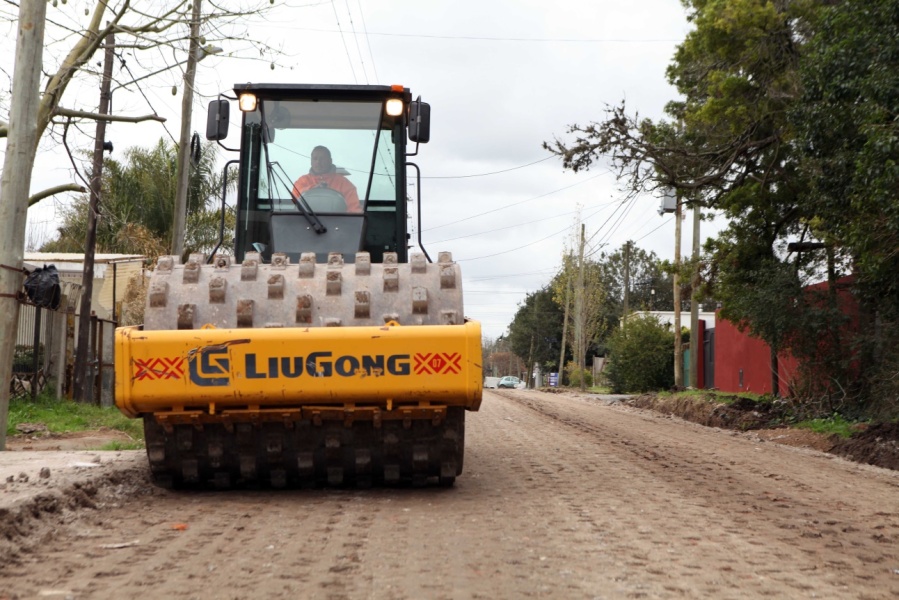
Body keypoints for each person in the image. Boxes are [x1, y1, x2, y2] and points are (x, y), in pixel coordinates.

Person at [292, 146, 362, 212]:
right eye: (315, 159)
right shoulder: (302, 181)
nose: (318, 162)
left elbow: (354, 211)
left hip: (337, 223)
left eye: (322, 159)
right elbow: (295, 198)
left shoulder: (344, 184)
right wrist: (313, 188)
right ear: (311, 161)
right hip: (306, 223)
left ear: (330, 161)